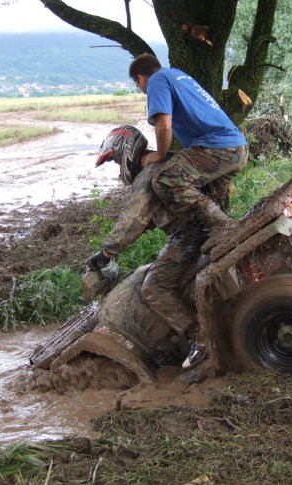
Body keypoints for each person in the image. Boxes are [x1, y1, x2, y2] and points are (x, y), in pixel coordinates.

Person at [86, 126, 208, 368]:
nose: (117, 167)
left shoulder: (148, 174)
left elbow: (133, 218)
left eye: (115, 160)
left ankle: (199, 339)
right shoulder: (167, 162)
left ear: (126, 153)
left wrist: (107, 251)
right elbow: (149, 217)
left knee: (153, 287)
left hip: (189, 233)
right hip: (203, 224)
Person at [128, 53, 248, 250]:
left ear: (140, 79)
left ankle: (223, 226)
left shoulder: (156, 81)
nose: (141, 89)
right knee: (209, 204)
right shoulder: (176, 75)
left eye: (138, 85)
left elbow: (164, 124)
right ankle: (224, 245)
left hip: (218, 148)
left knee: (165, 179)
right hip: (237, 148)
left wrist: (158, 155)